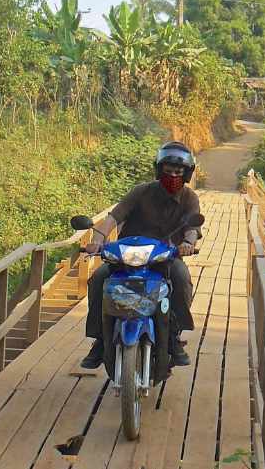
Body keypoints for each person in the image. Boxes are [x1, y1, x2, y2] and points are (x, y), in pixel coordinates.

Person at [80, 141, 200, 369]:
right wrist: (97, 240)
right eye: (168, 171)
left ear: (186, 173)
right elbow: (113, 218)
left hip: (164, 258)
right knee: (98, 280)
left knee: (182, 278)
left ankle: (173, 337)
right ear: (158, 169)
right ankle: (100, 339)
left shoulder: (189, 198)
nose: (172, 175)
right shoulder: (141, 191)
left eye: (178, 172)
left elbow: (192, 228)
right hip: (126, 256)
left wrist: (187, 243)